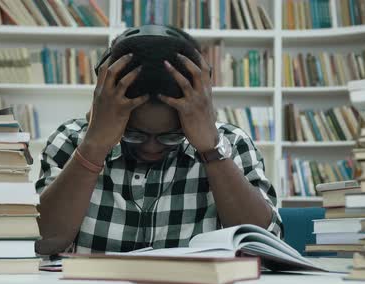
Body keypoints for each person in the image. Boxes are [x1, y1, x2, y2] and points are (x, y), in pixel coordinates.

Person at [35, 25, 282, 255]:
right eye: (133, 134)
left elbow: (265, 244)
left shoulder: (232, 143)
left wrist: (211, 150)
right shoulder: (71, 139)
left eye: (171, 136)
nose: (151, 147)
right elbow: (44, 241)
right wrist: (94, 146)